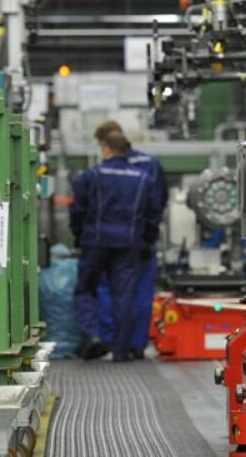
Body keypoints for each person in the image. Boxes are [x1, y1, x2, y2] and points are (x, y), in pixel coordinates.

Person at [69, 130, 161, 362]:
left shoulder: (91, 175)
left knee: (85, 290)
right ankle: (121, 351)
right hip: (129, 244)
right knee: (125, 296)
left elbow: (77, 210)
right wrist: (146, 241)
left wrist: (79, 236)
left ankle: (93, 337)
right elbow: (153, 214)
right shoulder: (143, 178)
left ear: (106, 148)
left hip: (95, 243)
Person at [93, 120, 168, 360]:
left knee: (107, 289)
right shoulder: (150, 163)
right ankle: (137, 344)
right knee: (142, 292)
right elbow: (159, 203)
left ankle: (113, 341)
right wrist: (149, 237)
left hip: (109, 241)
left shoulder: (103, 170)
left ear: (105, 143)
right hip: (142, 241)